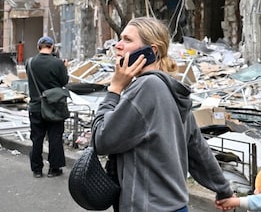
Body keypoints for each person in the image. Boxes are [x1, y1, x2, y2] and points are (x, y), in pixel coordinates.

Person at [93, 16, 234, 212]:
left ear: (152, 51)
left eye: (127, 40)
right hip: (175, 206)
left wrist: (114, 90)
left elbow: (102, 139)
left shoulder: (146, 86)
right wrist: (224, 190)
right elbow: (198, 149)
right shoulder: (172, 89)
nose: (117, 45)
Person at [26, 35, 68, 178]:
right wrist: (64, 67)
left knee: (37, 138)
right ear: (52, 47)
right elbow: (64, 81)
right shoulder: (58, 63)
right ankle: (54, 169)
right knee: (55, 137)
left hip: (36, 107)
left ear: (38, 47)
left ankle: (37, 170)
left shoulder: (30, 62)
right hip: (54, 106)